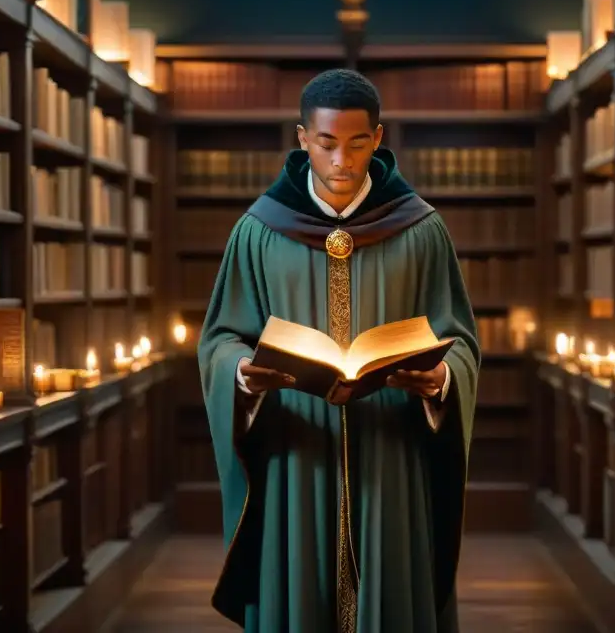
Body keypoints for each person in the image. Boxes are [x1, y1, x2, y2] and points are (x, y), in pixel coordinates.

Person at [199, 68, 480, 633]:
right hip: (295, 452)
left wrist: (443, 379)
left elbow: (461, 339)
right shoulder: (259, 230)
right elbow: (222, 338)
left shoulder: (421, 230)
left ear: (379, 139)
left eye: (357, 144)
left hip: (391, 451)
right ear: (302, 138)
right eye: (326, 144)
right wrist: (242, 373)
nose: (341, 162)